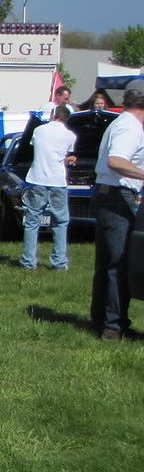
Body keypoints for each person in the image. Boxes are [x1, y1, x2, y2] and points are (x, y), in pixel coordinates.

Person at [90, 87, 144, 340]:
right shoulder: (131, 127)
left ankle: (101, 319)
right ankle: (113, 326)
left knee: (106, 263)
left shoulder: (119, 122)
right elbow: (117, 160)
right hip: (117, 197)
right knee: (118, 264)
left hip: (105, 195)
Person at [20, 105, 76, 271]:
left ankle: (28, 261)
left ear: (53, 115)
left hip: (37, 179)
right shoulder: (70, 136)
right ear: (67, 119)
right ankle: (59, 262)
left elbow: (38, 150)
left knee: (32, 222)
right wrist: (69, 159)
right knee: (60, 222)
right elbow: (59, 157)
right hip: (58, 182)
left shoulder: (39, 130)